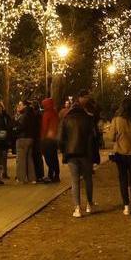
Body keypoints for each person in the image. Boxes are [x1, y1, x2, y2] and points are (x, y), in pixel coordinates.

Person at [59, 90, 96, 218]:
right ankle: (89, 204)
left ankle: (77, 208)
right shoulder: (88, 119)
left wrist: (64, 149)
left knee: (75, 181)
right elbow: (93, 137)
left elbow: (61, 138)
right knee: (88, 179)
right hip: (85, 152)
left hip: (71, 153)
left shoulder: (66, 119)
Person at [109, 98, 131, 216]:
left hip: (121, 152)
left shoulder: (117, 120)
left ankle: (126, 205)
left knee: (123, 179)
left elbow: (111, 137)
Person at [15, 101, 39, 183]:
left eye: (20, 105)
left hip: (22, 138)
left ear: (24, 106)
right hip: (31, 138)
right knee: (29, 159)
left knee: (21, 159)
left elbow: (21, 127)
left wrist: (15, 129)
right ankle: (32, 178)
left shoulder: (23, 115)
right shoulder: (33, 114)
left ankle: (21, 178)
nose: (19, 106)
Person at [39, 97, 61, 183]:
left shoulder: (46, 114)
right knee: (54, 157)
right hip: (54, 138)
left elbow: (44, 127)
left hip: (47, 139)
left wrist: (42, 138)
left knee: (48, 158)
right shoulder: (55, 113)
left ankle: (51, 173)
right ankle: (55, 174)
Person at [0, 100, 14, 181]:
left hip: (2, 139)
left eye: (0, 107)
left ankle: (3, 173)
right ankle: (0, 174)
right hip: (0, 139)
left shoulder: (3, 116)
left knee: (2, 157)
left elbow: (9, 124)